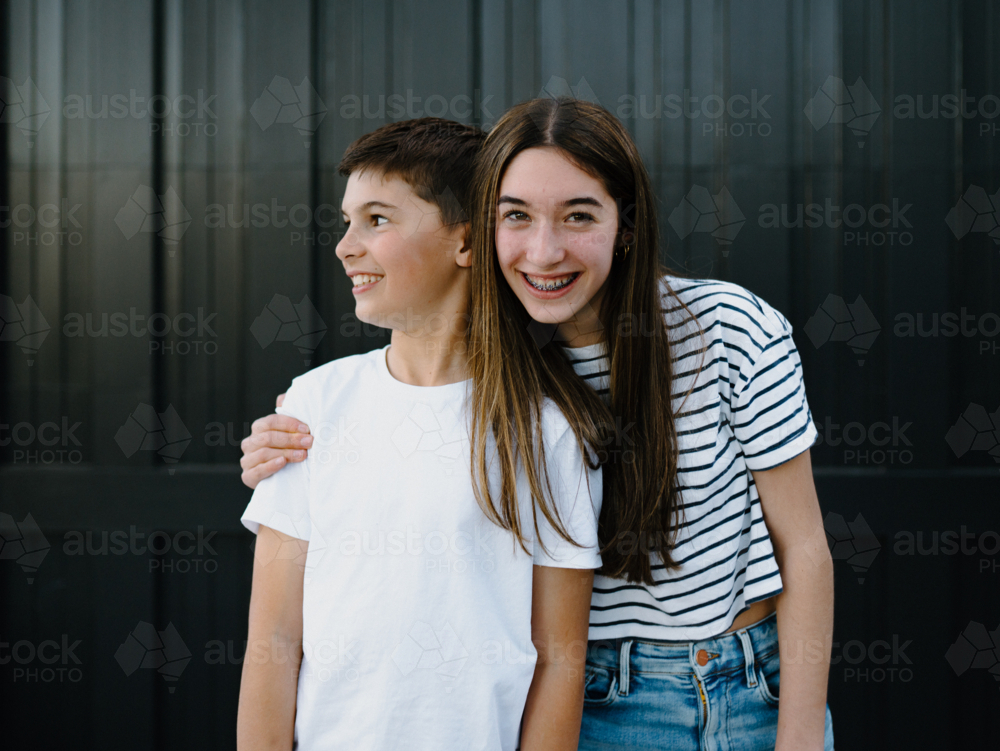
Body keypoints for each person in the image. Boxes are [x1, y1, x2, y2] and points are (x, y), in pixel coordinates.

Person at [242, 99, 834, 751]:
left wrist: (800, 736)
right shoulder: (508, 366)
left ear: (626, 226)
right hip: (601, 700)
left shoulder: (731, 330)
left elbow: (803, 545)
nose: (545, 251)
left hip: (752, 682)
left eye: (579, 215)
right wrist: (285, 442)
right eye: (516, 216)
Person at [236, 117, 603, 751]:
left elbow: (560, 658)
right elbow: (273, 638)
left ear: (466, 241)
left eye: (377, 220)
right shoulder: (315, 404)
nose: (346, 245)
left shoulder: (545, 430)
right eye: (348, 221)